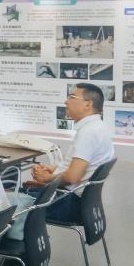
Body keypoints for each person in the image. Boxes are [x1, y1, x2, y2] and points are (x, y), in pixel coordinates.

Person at [28, 83, 114, 222]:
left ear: (88, 104)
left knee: (8, 203)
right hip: (80, 202)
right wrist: (53, 170)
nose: (66, 102)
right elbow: (81, 168)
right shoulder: (97, 127)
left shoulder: (89, 132)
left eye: (72, 97)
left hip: (68, 202)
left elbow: (72, 177)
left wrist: (46, 178)